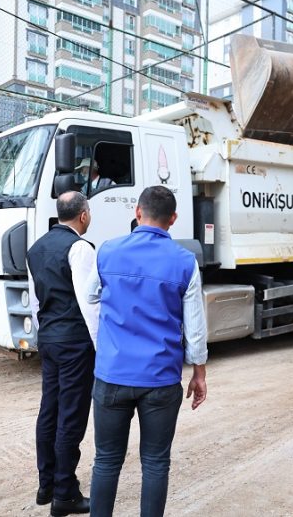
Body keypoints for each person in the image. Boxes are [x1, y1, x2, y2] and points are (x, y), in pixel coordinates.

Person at [88, 185, 208, 517]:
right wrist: (198, 372)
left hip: (112, 375)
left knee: (106, 460)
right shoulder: (185, 262)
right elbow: (195, 326)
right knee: (155, 462)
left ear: (138, 212)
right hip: (160, 378)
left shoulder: (108, 251)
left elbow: (91, 295)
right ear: (173, 219)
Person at [27, 191, 99, 517]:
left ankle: (47, 485)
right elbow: (89, 303)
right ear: (83, 215)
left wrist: (43, 333)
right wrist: (100, 346)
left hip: (49, 338)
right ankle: (65, 493)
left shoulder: (36, 248)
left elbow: (35, 300)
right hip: (74, 341)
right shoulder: (80, 248)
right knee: (71, 415)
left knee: (50, 410)